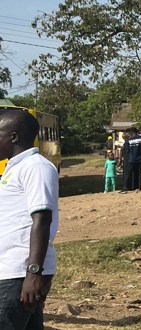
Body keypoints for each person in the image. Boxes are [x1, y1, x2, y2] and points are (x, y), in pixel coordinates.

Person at [0, 109, 59, 329]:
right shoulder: (14, 168)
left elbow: (42, 219)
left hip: (19, 272)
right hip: (11, 271)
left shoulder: (36, 167)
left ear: (13, 137)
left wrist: (33, 273)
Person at [121, 128, 141, 192]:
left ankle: (125, 188)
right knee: (140, 173)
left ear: (131, 133)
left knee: (128, 173)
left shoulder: (128, 141)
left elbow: (127, 150)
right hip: (140, 158)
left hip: (131, 159)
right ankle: (140, 187)